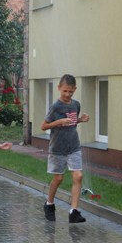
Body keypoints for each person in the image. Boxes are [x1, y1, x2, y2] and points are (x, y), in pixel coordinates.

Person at [41, 74, 90, 223]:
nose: (68, 94)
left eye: (71, 92)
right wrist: (59, 121)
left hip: (73, 146)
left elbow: (72, 123)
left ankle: (74, 212)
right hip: (58, 148)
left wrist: (81, 120)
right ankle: (49, 204)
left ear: (75, 89)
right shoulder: (55, 107)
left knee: (78, 176)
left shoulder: (76, 104)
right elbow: (43, 126)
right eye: (65, 91)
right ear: (59, 89)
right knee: (58, 178)